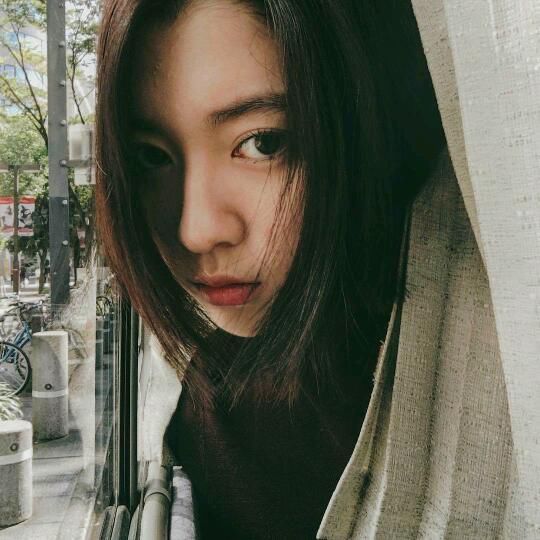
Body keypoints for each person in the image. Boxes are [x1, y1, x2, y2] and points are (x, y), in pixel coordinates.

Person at [95, 1, 525, 538]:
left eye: (263, 143)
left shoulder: (474, 396)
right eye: (151, 156)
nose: (196, 230)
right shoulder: (198, 393)